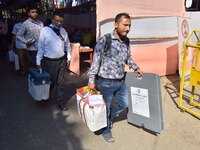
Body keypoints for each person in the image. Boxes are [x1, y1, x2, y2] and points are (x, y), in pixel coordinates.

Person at [87, 13, 143, 142]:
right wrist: (91, 81)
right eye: (125, 25)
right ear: (116, 25)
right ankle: (106, 130)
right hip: (105, 83)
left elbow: (128, 58)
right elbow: (95, 61)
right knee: (105, 108)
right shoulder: (104, 40)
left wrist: (136, 67)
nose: (127, 28)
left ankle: (107, 118)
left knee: (124, 103)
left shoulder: (127, 40)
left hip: (120, 80)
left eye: (129, 25)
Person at [36, 12, 71, 111]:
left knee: (61, 83)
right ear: (53, 20)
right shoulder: (45, 31)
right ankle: (44, 97)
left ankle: (61, 103)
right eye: (57, 21)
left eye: (61, 21)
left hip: (61, 60)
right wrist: (38, 62)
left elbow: (67, 46)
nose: (59, 23)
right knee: (50, 82)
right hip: (49, 62)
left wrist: (68, 57)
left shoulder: (63, 31)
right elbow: (41, 47)